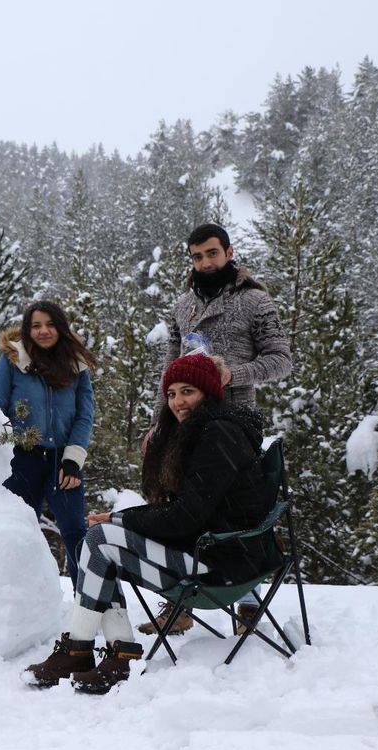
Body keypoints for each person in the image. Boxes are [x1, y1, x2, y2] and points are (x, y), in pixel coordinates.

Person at [24, 354, 280, 694]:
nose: (177, 402)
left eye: (187, 391)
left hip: (220, 567)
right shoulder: (209, 430)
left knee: (100, 541)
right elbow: (189, 510)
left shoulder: (219, 436)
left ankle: (85, 650)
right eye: (171, 393)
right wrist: (122, 522)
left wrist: (123, 520)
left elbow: (186, 516)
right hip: (216, 550)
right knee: (100, 542)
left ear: (208, 392)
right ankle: (111, 653)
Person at [145, 222, 291, 636]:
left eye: (212, 253)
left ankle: (247, 601)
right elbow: (168, 371)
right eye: (197, 256)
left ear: (228, 252)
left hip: (233, 422)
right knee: (179, 504)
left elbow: (281, 360)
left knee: (237, 508)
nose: (205, 262)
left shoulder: (254, 301)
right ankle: (180, 601)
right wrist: (159, 425)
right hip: (184, 422)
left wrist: (233, 375)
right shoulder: (182, 305)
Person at [0, 300, 96, 586]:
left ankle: (90, 605)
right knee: (18, 531)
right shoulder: (13, 360)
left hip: (64, 460)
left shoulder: (76, 365)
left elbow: (84, 416)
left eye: (50, 324)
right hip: (22, 457)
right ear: (27, 330)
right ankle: (14, 601)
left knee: (74, 530)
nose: (43, 331)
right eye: (36, 325)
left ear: (60, 328)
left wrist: (73, 460)